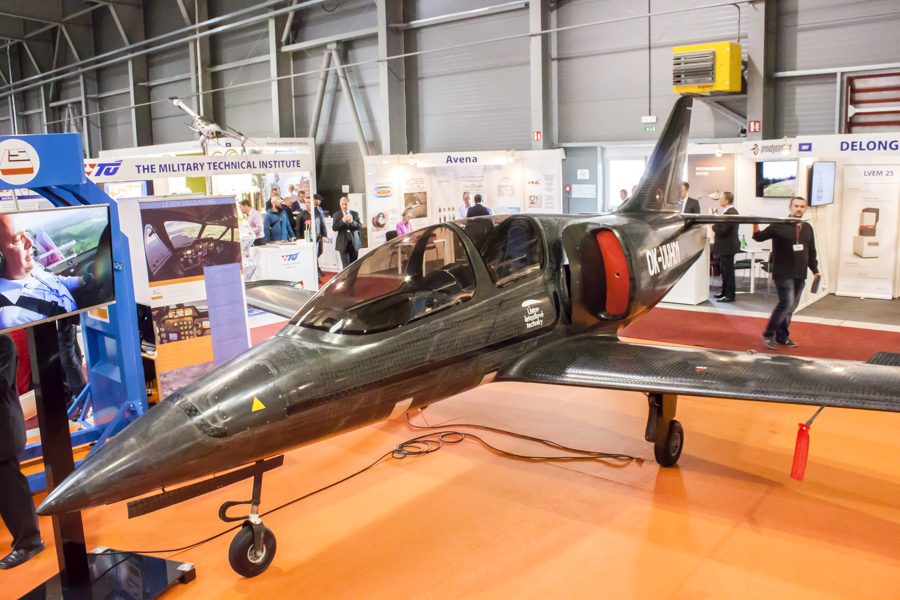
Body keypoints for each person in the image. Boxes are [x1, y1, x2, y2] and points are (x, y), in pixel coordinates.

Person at [0, 334, 45, 570]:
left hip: (3, 431)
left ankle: (30, 542)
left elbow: (1, 383)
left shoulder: (3, 343)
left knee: (10, 489)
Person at [753, 196, 820, 349]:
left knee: (791, 307)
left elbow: (811, 252)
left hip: (800, 274)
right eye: (796, 206)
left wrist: (815, 270)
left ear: (805, 209)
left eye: (802, 206)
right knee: (786, 304)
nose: (799, 209)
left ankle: (782, 337)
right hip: (783, 273)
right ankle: (768, 334)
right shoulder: (779, 224)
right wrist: (755, 223)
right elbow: (758, 237)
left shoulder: (807, 227)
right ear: (790, 207)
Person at [0, 214, 82, 330]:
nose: (30, 242)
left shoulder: (35, 268)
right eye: (17, 239)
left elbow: (56, 282)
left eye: (26, 234)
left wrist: (81, 280)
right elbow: (57, 340)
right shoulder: (12, 316)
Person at [711, 191, 740, 303]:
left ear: (727, 201)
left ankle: (729, 295)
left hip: (727, 246)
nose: (719, 200)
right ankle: (724, 292)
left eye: (721, 198)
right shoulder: (729, 212)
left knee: (728, 271)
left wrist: (713, 225)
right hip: (726, 246)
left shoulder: (730, 213)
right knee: (724, 271)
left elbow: (722, 230)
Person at [298, 196, 326, 277]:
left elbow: (322, 224)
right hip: (307, 239)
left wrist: (325, 235)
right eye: (305, 202)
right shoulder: (302, 215)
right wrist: (300, 240)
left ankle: (317, 271)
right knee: (312, 256)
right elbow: (299, 229)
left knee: (318, 253)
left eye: (309, 202)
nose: (307, 204)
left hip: (317, 238)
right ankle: (316, 274)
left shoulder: (317, 213)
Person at [332, 196, 361, 268]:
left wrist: (352, 222)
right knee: (346, 266)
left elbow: (360, 226)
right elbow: (334, 228)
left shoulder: (355, 214)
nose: (344, 206)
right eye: (342, 204)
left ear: (349, 204)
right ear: (340, 205)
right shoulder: (336, 215)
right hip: (343, 244)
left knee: (354, 266)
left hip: (354, 243)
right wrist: (343, 221)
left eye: (346, 204)